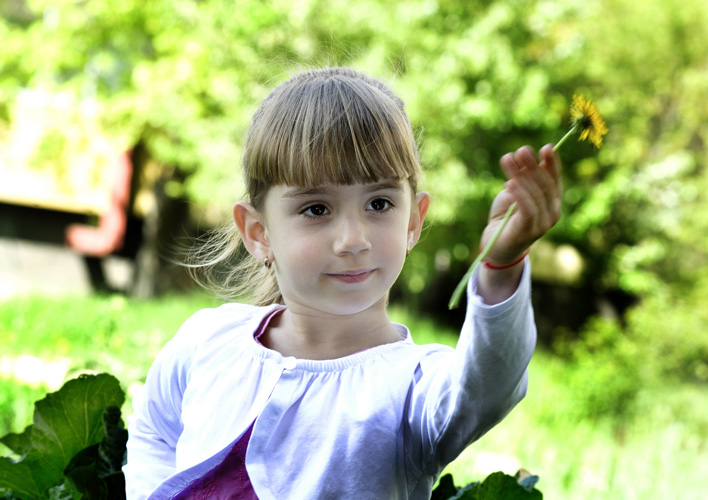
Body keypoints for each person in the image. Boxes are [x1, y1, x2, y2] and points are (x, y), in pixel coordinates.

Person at [123, 67, 562, 500]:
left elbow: (487, 386)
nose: (353, 240)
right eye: (316, 209)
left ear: (413, 221)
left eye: (379, 202)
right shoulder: (208, 340)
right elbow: (154, 434)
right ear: (258, 233)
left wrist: (501, 266)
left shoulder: (413, 386)